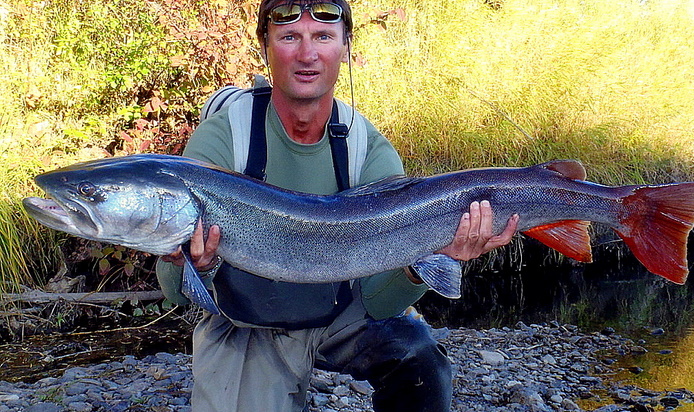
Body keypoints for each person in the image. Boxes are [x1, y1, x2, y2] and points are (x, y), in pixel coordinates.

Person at [155, 1, 519, 411]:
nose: (307, 54)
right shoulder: (223, 138)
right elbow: (176, 294)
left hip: (341, 313)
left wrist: (429, 259)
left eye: (323, 37)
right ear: (265, 46)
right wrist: (191, 264)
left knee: (421, 362)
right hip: (246, 324)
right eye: (289, 37)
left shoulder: (368, 149)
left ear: (345, 47)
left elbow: (380, 303)